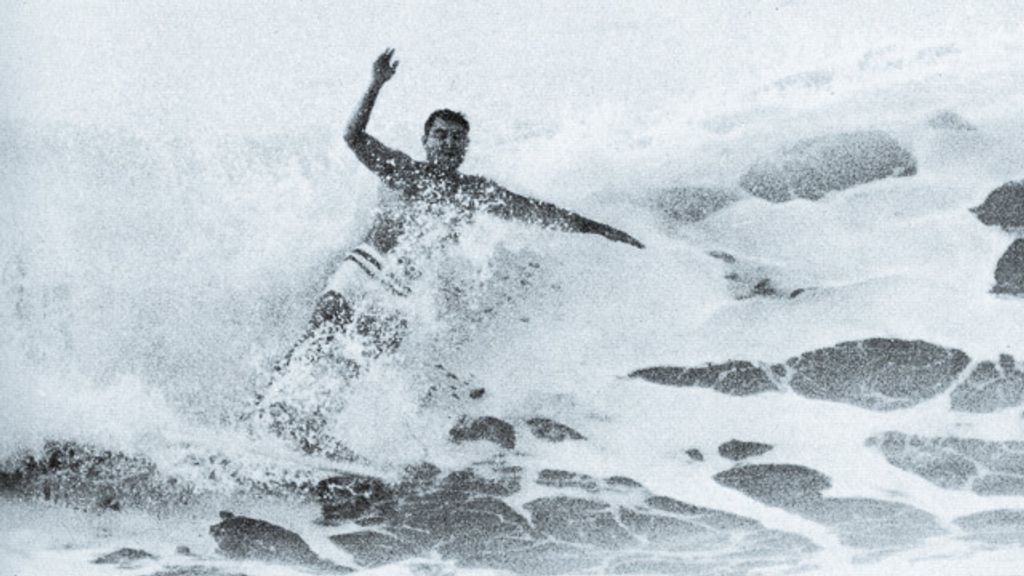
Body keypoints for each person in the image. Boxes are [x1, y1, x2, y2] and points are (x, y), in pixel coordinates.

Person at [254, 49, 643, 455]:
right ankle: (261, 411)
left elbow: (538, 212)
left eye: (457, 137)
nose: (448, 142)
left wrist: (600, 228)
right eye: (439, 134)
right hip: (364, 269)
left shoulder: (475, 193)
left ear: (466, 147)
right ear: (425, 141)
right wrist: (375, 84)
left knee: (356, 367)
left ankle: (310, 433)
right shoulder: (401, 170)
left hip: (400, 294)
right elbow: (353, 137)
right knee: (315, 342)